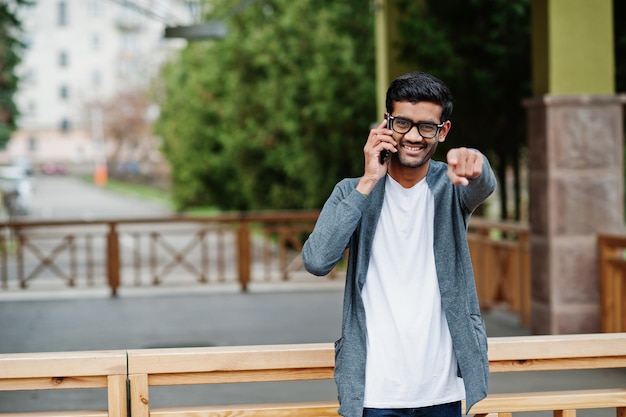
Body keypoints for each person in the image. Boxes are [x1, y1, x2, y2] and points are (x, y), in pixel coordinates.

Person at [302, 71, 496, 417]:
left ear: (443, 131)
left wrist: (476, 162)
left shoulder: (450, 187)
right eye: (403, 123)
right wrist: (369, 181)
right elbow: (317, 260)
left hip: (440, 388)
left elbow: (482, 184)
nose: (413, 136)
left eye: (427, 127)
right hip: (374, 390)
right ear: (386, 123)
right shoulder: (352, 191)